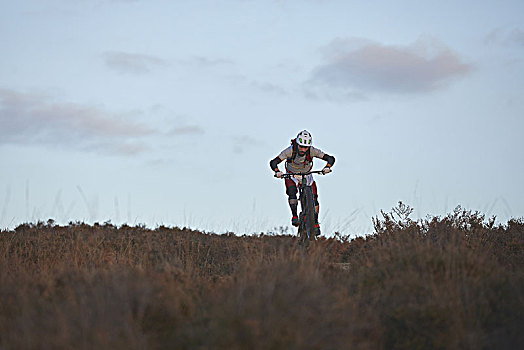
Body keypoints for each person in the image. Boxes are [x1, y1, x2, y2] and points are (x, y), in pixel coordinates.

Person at [269, 130, 335, 235]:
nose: (303, 150)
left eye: (306, 147)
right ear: (297, 144)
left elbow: (330, 158)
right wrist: (277, 172)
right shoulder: (290, 151)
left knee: (314, 197)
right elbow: (273, 162)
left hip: (307, 174)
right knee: (291, 191)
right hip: (292, 175)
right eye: (301, 147)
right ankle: (294, 215)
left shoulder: (312, 151)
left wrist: (327, 167)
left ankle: (315, 222)